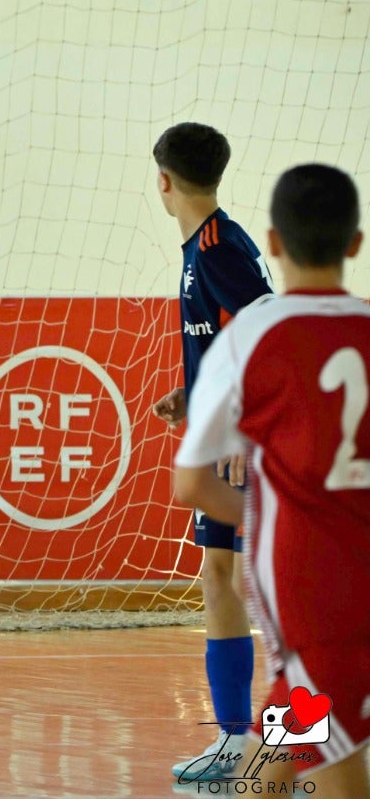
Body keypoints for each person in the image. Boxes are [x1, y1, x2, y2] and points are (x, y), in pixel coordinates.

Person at [173, 163, 370, 797]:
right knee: (284, 746)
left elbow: (193, 486)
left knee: (331, 764)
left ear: (275, 244)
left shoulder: (254, 337)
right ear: (355, 245)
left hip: (314, 587)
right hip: (344, 596)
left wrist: (281, 508)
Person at [149, 122, 274, 781]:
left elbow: (267, 329)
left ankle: (269, 742)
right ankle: (245, 741)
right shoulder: (204, 246)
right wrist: (194, 394)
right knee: (223, 577)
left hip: (247, 443)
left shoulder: (218, 247)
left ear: (163, 181)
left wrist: (240, 420)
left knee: (257, 588)